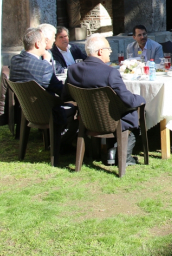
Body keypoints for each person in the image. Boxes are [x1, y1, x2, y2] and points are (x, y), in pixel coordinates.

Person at [62, 33, 146, 166]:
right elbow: (127, 100)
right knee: (136, 113)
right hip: (111, 120)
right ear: (101, 51)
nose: (110, 52)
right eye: (109, 49)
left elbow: (66, 96)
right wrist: (142, 99)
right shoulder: (110, 72)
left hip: (86, 119)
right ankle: (125, 157)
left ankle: (111, 152)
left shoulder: (73, 70)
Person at [10, 27, 63, 96]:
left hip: (21, 105)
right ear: (37, 44)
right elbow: (60, 89)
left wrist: (45, 61)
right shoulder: (44, 67)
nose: (45, 44)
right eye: (44, 41)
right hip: (44, 105)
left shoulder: (14, 60)